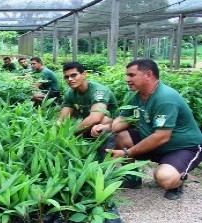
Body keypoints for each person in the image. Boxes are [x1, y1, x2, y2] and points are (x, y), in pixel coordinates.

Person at [91, 59, 202, 200]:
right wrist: (105, 128)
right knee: (122, 136)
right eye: (127, 75)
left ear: (148, 75)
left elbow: (161, 136)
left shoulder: (165, 98)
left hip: (183, 147)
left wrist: (127, 152)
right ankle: (132, 178)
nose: (127, 79)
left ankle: (177, 180)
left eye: (131, 75)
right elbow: (123, 119)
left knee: (164, 178)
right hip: (155, 143)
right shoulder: (136, 95)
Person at [58, 61, 118, 137]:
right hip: (87, 123)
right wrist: (56, 132)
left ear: (84, 74)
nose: (69, 79)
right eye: (66, 77)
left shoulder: (98, 91)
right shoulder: (70, 93)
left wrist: (70, 134)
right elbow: (63, 118)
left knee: (103, 120)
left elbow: (95, 118)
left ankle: (107, 145)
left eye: (74, 75)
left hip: (110, 125)